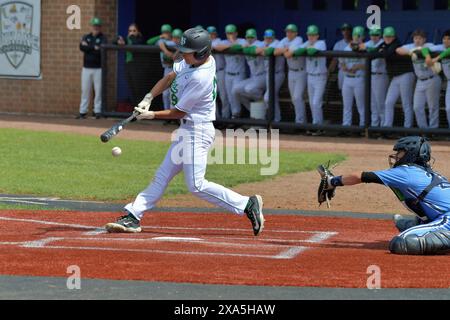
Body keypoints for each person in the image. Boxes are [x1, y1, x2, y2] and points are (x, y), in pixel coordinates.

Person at [104, 28, 264, 237]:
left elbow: (179, 112)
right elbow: (171, 76)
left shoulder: (202, 77)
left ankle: (247, 204)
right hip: (187, 131)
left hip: (198, 131)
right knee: (162, 176)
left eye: (188, 51)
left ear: (201, 53)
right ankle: (133, 215)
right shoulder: (194, 61)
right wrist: (148, 97)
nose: (183, 54)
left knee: (196, 185)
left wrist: (149, 115)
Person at [318, 136, 450, 255]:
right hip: (442, 216)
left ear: (410, 154)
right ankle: (421, 227)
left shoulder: (406, 172)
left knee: (400, 243)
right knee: (413, 223)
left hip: (447, 220)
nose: (396, 155)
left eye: (400, 152)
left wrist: (331, 181)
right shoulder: (425, 172)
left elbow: (361, 176)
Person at [368, 27, 416, 128]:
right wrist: (378, 50)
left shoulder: (396, 44)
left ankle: (407, 128)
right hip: (395, 77)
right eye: (386, 36)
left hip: (406, 74)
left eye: (390, 36)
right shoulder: (384, 44)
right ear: (383, 36)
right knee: (388, 102)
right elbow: (372, 54)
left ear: (394, 37)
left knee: (406, 103)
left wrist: (381, 51)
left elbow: (387, 53)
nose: (388, 38)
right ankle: (387, 127)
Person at [396, 29, 440, 129]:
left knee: (433, 107)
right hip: (420, 81)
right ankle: (424, 129)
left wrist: (426, 55)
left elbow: (440, 48)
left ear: (424, 39)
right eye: (415, 38)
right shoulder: (411, 46)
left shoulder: (429, 46)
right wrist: (411, 52)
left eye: (420, 38)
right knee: (417, 107)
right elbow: (398, 50)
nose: (417, 40)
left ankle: (434, 130)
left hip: (432, 78)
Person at [292, 25, 327, 134]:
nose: (311, 37)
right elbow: (296, 52)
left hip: (320, 76)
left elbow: (312, 52)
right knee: (312, 103)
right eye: (309, 35)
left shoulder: (321, 43)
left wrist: (305, 49)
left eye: (313, 35)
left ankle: (318, 125)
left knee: (316, 102)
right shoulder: (307, 43)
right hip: (310, 76)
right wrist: (305, 48)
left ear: (317, 35)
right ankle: (316, 125)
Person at [214, 24, 247, 119]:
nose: (230, 35)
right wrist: (232, 45)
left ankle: (236, 115)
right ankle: (230, 117)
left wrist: (231, 43)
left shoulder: (242, 41)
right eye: (228, 33)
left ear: (236, 33)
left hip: (239, 74)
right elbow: (217, 47)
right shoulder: (223, 41)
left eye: (232, 33)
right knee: (229, 96)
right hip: (228, 74)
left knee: (234, 94)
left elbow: (243, 46)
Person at [78, 17, 107, 119]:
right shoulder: (86, 36)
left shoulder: (103, 37)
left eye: (98, 26)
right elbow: (82, 47)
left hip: (98, 68)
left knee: (98, 90)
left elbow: (100, 50)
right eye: (94, 26)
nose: (96, 28)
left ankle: (97, 111)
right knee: (85, 90)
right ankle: (82, 111)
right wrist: (94, 47)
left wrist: (89, 47)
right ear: (91, 26)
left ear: (100, 27)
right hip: (86, 68)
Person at [359, 26, 388, 127]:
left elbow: (377, 50)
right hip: (369, 76)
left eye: (376, 35)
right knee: (372, 104)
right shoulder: (368, 43)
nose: (374, 37)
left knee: (381, 103)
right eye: (372, 35)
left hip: (380, 76)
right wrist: (358, 45)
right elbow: (356, 46)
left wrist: (365, 48)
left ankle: (384, 127)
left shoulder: (383, 43)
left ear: (380, 35)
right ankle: (375, 127)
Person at [279, 24, 307, 124]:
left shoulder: (298, 39)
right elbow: (276, 51)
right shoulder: (284, 40)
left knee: (297, 97)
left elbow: (287, 54)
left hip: (301, 72)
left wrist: (285, 50)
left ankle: (299, 122)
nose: (289, 33)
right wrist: (284, 49)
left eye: (291, 32)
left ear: (296, 33)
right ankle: (302, 120)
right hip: (291, 72)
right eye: (287, 31)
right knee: (293, 99)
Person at [233, 29, 266, 112]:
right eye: (248, 37)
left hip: (264, 75)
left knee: (249, 89)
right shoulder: (244, 43)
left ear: (255, 37)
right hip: (254, 77)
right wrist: (242, 47)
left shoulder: (260, 43)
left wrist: (245, 48)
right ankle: (252, 110)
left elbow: (258, 49)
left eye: (252, 37)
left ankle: (262, 100)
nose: (250, 39)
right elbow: (233, 47)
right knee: (235, 90)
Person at [256, 29, 285, 122]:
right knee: (272, 97)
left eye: (270, 38)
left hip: (277, 74)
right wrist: (263, 49)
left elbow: (272, 51)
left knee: (268, 97)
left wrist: (264, 50)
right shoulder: (262, 43)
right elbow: (253, 49)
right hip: (267, 74)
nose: (268, 39)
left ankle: (273, 119)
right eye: (266, 37)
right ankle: (276, 120)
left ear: (273, 37)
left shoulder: (277, 43)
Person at [147, 24, 177, 111]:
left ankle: (173, 114)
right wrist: (161, 37)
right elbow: (149, 42)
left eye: (167, 32)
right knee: (165, 94)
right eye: (164, 32)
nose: (166, 34)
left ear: (171, 33)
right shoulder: (161, 41)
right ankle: (167, 114)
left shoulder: (174, 41)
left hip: (175, 69)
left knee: (173, 93)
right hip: (167, 69)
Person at [341, 26, 366, 127]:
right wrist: (345, 67)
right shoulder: (347, 48)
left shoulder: (365, 48)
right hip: (347, 78)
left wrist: (358, 66)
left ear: (363, 37)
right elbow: (341, 61)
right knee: (347, 105)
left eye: (359, 36)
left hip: (359, 78)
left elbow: (367, 65)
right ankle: (346, 126)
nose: (357, 37)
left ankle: (363, 126)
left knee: (361, 105)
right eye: (355, 35)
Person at [117, 23, 146, 107]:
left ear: (138, 32)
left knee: (138, 89)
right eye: (130, 31)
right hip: (128, 65)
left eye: (134, 31)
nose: (132, 33)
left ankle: (141, 109)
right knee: (131, 88)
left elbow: (136, 43)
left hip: (137, 67)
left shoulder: (140, 39)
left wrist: (131, 37)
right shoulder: (127, 39)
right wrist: (119, 41)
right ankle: (135, 109)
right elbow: (115, 41)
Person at [426, 30, 450, 128]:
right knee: (448, 109)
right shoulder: (441, 47)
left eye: (449, 39)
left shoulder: (445, 50)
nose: (446, 41)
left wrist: (436, 58)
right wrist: (428, 57)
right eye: (444, 38)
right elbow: (424, 49)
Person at [207, 26, 230, 119]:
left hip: (221, 71)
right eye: (209, 34)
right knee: (212, 97)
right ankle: (216, 117)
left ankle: (225, 118)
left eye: (213, 33)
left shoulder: (220, 41)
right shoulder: (204, 43)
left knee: (224, 96)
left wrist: (212, 47)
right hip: (209, 72)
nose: (211, 35)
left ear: (216, 34)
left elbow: (221, 47)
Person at [330, 23, 353, 91]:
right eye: (343, 30)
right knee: (342, 92)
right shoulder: (338, 44)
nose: (345, 32)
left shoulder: (356, 43)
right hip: (342, 71)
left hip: (354, 71)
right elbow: (334, 60)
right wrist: (329, 71)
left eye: (347, 29)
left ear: (351, 31)